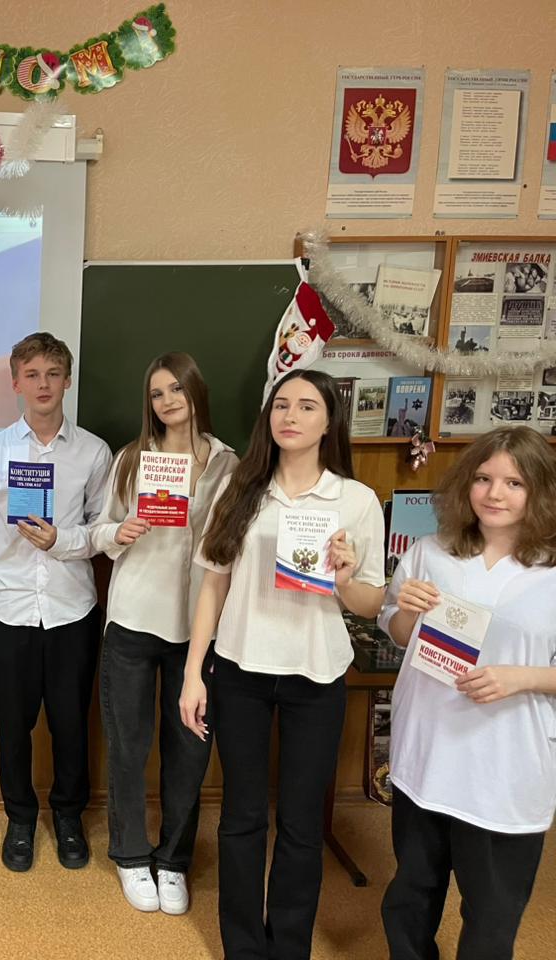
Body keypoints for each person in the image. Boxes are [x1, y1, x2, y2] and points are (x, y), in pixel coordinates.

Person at [179, 368, 385, 960]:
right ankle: (243, 947)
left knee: (300, 823)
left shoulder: (355, 500)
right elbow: (213, 584)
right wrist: (194, 673)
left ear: (329, 422)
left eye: (307, 406)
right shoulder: (239, 487)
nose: (290, 416)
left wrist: (344, 577)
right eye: (281, 405)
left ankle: (289, 946)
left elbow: (371, 602)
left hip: (316, 674)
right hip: (240, 669)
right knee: (242, 816)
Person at [378, 426, 556, 960]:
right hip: (426, 757)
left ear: (541, 491)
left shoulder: (550, 571)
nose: (494, 494)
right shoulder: (431, 552)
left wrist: (521, 678)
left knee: (491, 914)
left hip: (503, 769)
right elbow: (398, 631)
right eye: (483, 478)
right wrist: (407, 611)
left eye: (514, 483)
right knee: (412, 896)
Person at [91, 353, 237, 914]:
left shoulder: (228, 463)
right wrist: (120, 531)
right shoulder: (132, 458)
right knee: (128, 747)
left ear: (196, 391)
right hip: (133, 619)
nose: (168, 401)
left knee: (189, 750)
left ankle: (173, 860)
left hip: (197, 630)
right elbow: (100, 529)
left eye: (177, 388)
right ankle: (130, 855)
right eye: (157, 393)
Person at [0, 332, 112, 872]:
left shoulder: (94, 452)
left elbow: (102, 530)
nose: (43, 384)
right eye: (32, 375)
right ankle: (21, 819)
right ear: (16, 384)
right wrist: (16, 558)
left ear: (67, 380)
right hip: (9, 612)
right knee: (12, 726)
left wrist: (60, 542)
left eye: (53, 373)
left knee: (71, 724)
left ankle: (69, 816)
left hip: (71, 611)